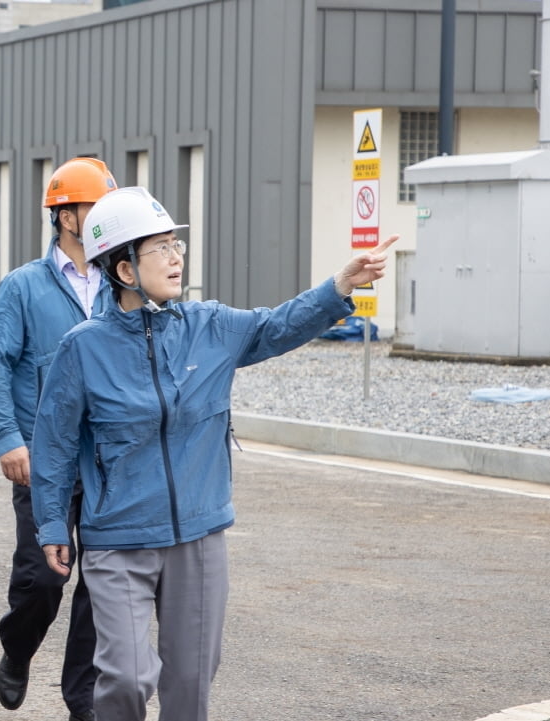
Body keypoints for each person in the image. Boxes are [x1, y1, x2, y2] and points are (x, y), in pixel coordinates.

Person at [30, 186, 397, 721]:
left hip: (199, 538)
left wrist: (339, 286)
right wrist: (51, 525)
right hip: (118, 540)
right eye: (159, 248)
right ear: (125, 270)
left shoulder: (211, 327)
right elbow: (55, 443)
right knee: (127, 678)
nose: (176, 258)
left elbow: (278, 325)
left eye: (175, 245)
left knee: (191, 681)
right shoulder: (83, 347)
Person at [0, 157, 117, 721]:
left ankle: (82, 699)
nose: (104, 218)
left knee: (102, 587)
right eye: (94, 208)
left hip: (112, 462)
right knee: (43, 578)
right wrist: (7, 439)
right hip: (45, 460)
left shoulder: (122, 281)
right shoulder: (23, 287)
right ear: (64, 215)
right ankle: (17, 648)